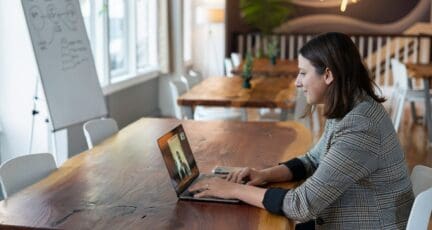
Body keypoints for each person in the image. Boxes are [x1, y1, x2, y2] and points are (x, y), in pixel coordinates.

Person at [189, 32, 414, 229]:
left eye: (303, 73)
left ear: (328, 75)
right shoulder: (350, 106)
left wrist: (232, 190)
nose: (297, 82)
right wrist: (263, 174)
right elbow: (312, 160)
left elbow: (301, 205)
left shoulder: (361, 126)